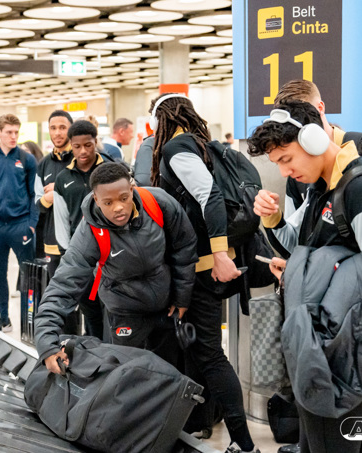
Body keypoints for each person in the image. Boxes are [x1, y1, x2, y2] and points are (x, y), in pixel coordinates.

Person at [248, 99, 362, 453]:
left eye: (287, 159)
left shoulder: (356, 188)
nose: (284, 172)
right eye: (277, 164)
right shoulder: (320, 189)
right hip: (319, 351)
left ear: (314, 140)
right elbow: (303, 246)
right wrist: (274, 222)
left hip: (345, 359)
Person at [149, 93, 259, 453]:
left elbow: (209, 196)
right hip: (205, 264)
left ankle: (244, 444)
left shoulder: (176, 147)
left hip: (201, 268)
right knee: (200, 351)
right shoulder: (203, 145)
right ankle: (198, 423)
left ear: (162, 119)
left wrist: (218, 254)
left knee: (209, 354)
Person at [36, 163, 197, 372]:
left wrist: (182, 296)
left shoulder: (157, 203)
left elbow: (184, 247)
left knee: (169, 375)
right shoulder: (90, 233)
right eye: (108, 202)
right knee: (127, 376)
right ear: (96, 200)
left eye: (123, 198)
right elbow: (63, 284)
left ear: (131, 189)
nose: (118, 207)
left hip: (166, 308)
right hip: (124, 311)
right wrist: (47, 343)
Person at [0, 114, 38, 332]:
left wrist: (31, 223)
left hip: (20, 225)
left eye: (16, 132)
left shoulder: (27, 160)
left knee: (28, 277)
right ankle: (4, 318)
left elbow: (34, 194)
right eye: (9, 132)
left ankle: (28, 322)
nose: (13, 136)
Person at [274, 79, 362, 219]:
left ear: (320, 108)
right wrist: (273, 220)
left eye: (304, 116)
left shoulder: (359, 145)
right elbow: (294, 228)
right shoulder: (294, 172)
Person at [54, 120, 108, 339]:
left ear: (95, 141)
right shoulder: (63, 179)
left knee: (113, 313)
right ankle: (95, 353)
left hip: (111, 255)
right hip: (82, 257)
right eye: (77, 146)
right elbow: (61, 220)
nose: (83, 151)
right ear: (71, 146)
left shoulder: (111, 169)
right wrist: (70, 256)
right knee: (90, 312)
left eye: (88, 145)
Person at [34, 110, 73, 273]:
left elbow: (87, 193)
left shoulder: (81, 159)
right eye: (53, 128)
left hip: (79, 241)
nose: (57, 133)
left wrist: (57, 189)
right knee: (55, 287)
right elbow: (38, 204)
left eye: (62, 127)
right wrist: (49, 198)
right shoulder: (44, 164)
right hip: (52, 243)